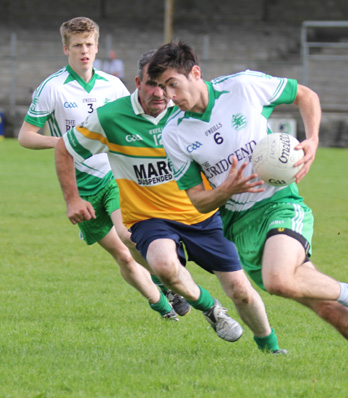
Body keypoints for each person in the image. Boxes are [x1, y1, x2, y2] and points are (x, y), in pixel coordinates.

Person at [147, 40, 348, 382]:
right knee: (328, 309)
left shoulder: (242, 87)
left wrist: (312, 139)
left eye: (172, 84)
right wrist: (227, 189)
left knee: (279, 280)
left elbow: (306, 96)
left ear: (195, 73)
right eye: (163, 87)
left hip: (280, 204)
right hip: (240, 226)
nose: (169, 95)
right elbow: (196, 199)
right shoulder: (174, 133)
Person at [53, 49, 286, 353]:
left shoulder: (188, 115)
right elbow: (64, 148)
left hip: (202, 213)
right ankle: (209, 307)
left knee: (241, 291)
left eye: (167, 85)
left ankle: (270, 346)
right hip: (149, 218)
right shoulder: (110, 118)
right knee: (163, 266)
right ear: (138, 82)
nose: (160, 92)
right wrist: (72, 199)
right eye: (152, 83)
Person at [17, 16, 190, 322]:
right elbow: (25, 136)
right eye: (77, 45)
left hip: (113, 174)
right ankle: (162, 306)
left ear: (97, 47)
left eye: (88, 44)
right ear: (65, 48)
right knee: (122, 255)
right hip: (80, 185)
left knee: (128, 236)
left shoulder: (113, 85)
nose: (84, 50)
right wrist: (67, 143)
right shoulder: (52, 88)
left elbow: (133, 120)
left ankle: (168, 283)